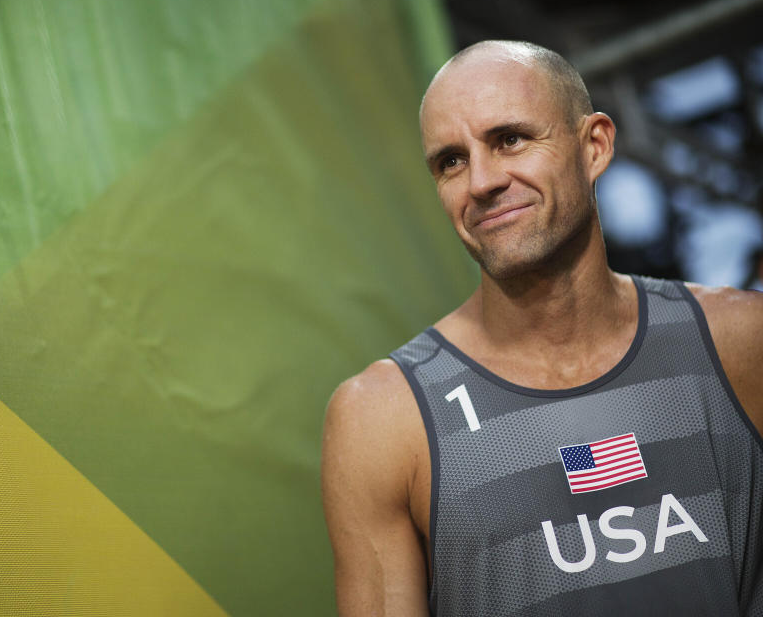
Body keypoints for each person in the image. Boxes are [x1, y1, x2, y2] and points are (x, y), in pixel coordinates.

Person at [320, 40, 763, 616]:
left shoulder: (742, 341)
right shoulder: (381, 418)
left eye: (510, 140)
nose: (480, 181)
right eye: (450, 160)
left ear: (594, 146)